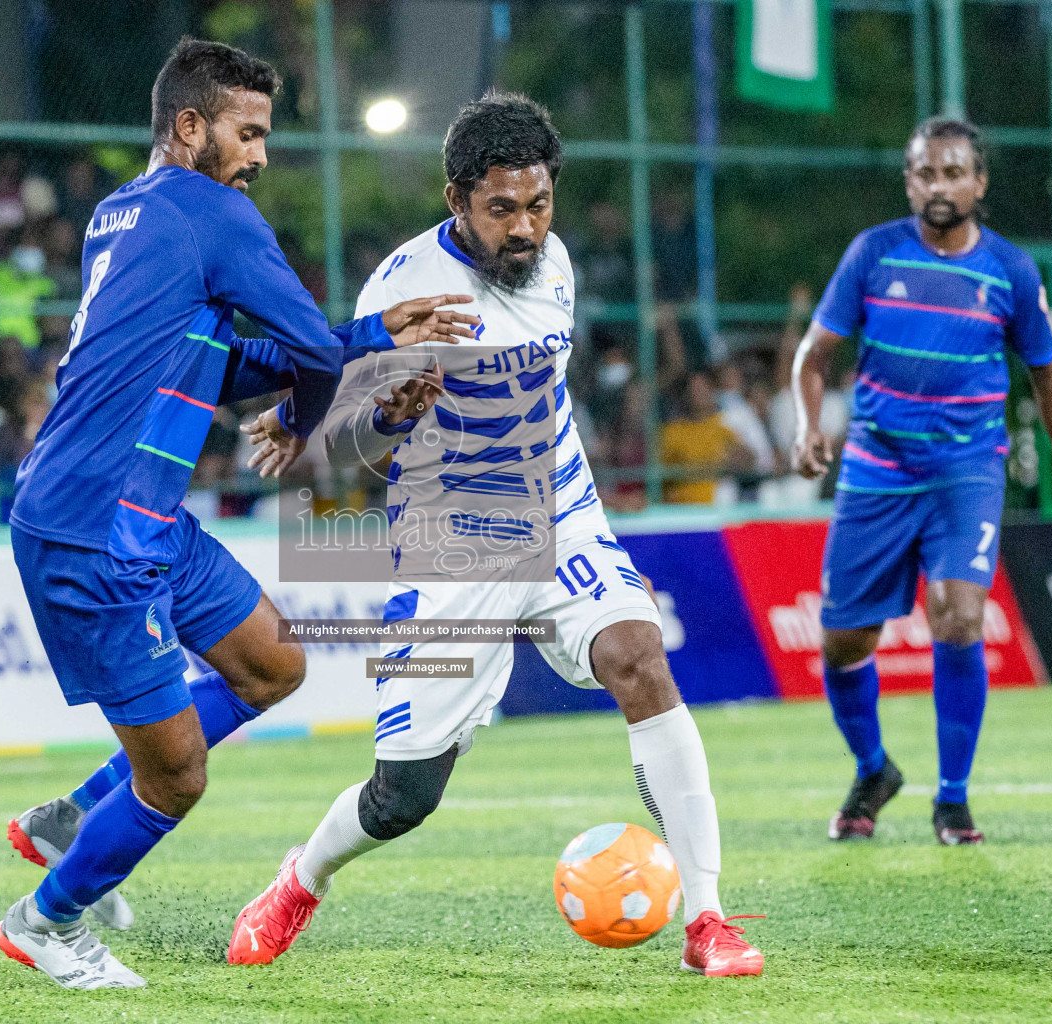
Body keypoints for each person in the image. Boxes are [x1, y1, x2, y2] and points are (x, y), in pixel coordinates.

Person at [230, 93, 765, 977]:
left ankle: (706, 919)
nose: (525, 227)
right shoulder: (404, 287)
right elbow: (357, 435)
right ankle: (300, 879)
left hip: (561, 513)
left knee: (639, 658)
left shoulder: (551, 263)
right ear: (456, 201)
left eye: (538, 204)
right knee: (403, 799)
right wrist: (359, 417)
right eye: (501, 209)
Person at [0, 37, 478, 989]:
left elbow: (202, 359)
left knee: (271, 667)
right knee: (175, 776)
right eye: (247, 132)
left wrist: (370, 337)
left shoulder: (121, 212)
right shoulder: (213, 212)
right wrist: (314, 409)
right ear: (189, 127)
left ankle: (68, 822)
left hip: (140, 515)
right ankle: (45, 922)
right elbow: (306, 353)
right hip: (96, 525)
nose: (259, 154)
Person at [791, 117, 1052, 846]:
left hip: (965, 470)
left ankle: (953, 798)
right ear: (909, 181)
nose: (938, 185)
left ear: (978, 182)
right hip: (874, 468)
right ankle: (873, 770)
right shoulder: (871, 253)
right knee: (843, 642)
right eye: (924, 173)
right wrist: (809, 426)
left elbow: (1048, 382)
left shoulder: (1010, 271)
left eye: (952, 172)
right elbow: (812, 356)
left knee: (959, 615)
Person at [659, 370, 755, 504]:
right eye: (694, 389)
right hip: (679, 507)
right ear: (686, 395)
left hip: (715, 507)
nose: (699, 393)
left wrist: (737, 460)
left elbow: (748, 460)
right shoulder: (672, 431)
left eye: (703, 387)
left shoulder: (723, 426)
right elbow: (661, 473)